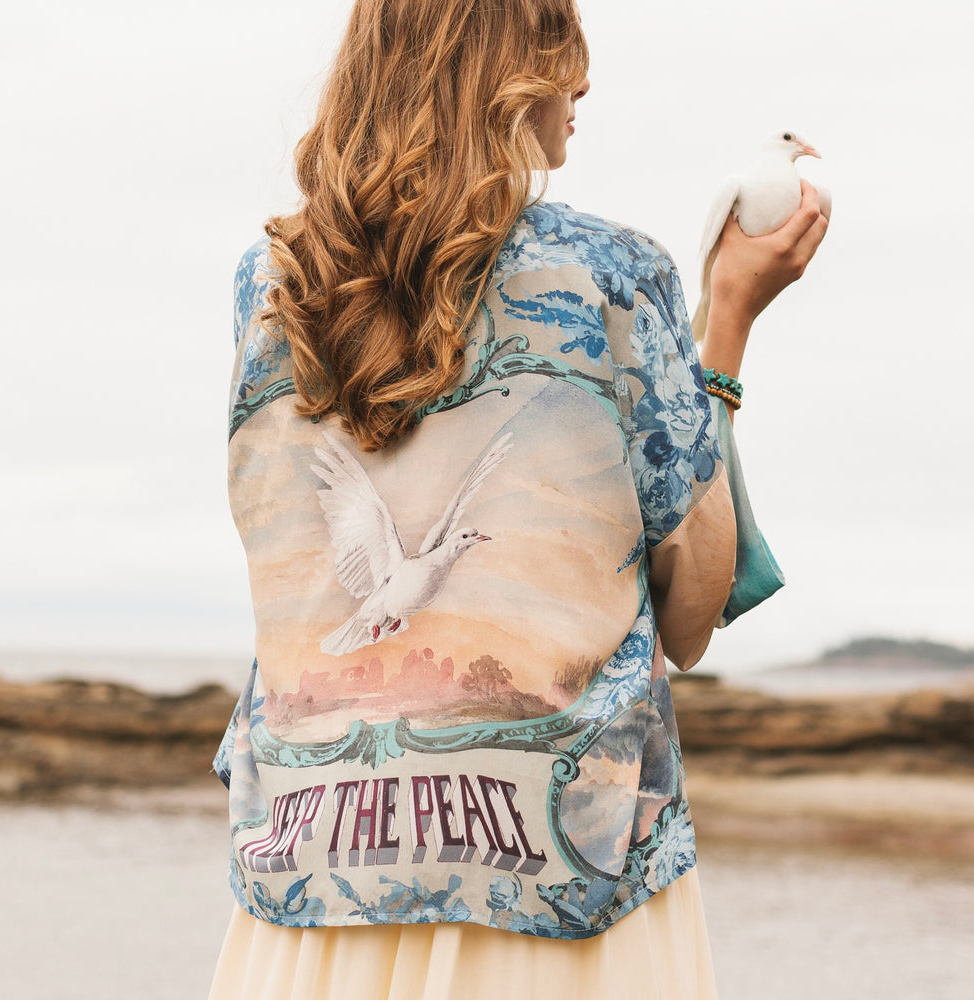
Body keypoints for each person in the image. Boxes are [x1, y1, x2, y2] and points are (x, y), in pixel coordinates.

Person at [208, 1, 827, 997]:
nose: (582, 80)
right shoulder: (612, 276)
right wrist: (727, 322)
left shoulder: (270, 282)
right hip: (562, 897)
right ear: (497, 62)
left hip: (310, 881)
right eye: (559, 43)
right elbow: (691, 609)